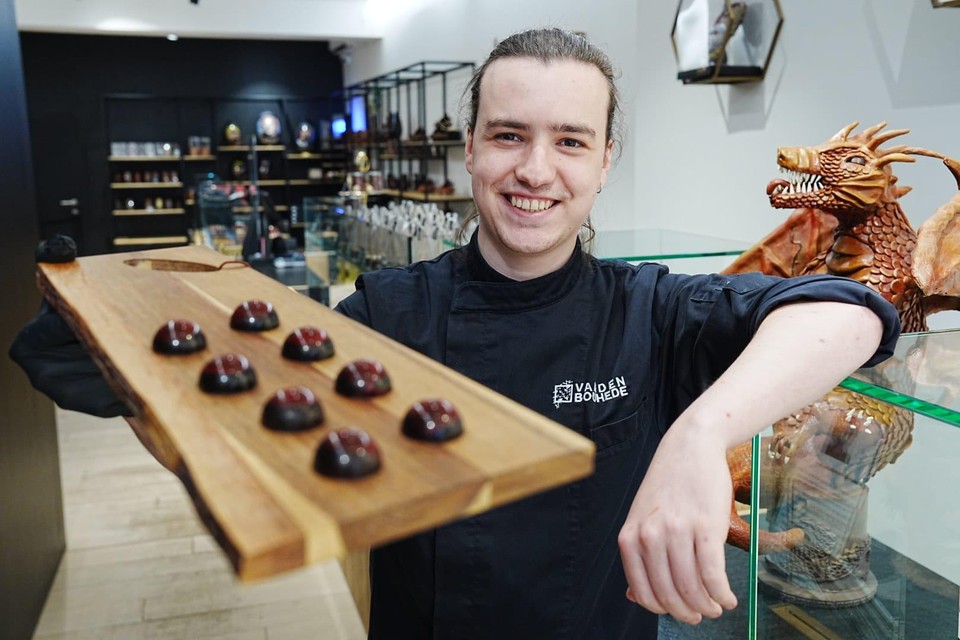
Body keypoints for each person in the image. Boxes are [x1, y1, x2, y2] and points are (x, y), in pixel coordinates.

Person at [11, 28, 899, 640]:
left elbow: (853, 313)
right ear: (470, 149)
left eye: (570, 142)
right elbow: (249, 450)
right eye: (509, 135)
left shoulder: (654, 310)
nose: (535, 171)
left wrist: (700, 432)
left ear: (604, 162)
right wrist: (141, 383)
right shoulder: (387, 315)